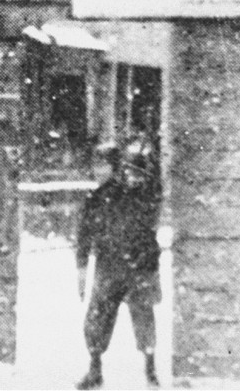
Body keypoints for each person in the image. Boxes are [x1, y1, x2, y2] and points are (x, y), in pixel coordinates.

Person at [74, 134, 163, 390]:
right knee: (97, 318)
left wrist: (149, 265)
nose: (98, 170)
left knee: (143, 317)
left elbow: (148, 220)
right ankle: (95, 370)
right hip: (109, 267)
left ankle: (150, 370)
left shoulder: (135, 193)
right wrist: (81, 271)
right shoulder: (95, 199)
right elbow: (84, 237)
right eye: (96, 165)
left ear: (116, 167)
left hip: (137, 265)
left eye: (104, 165)